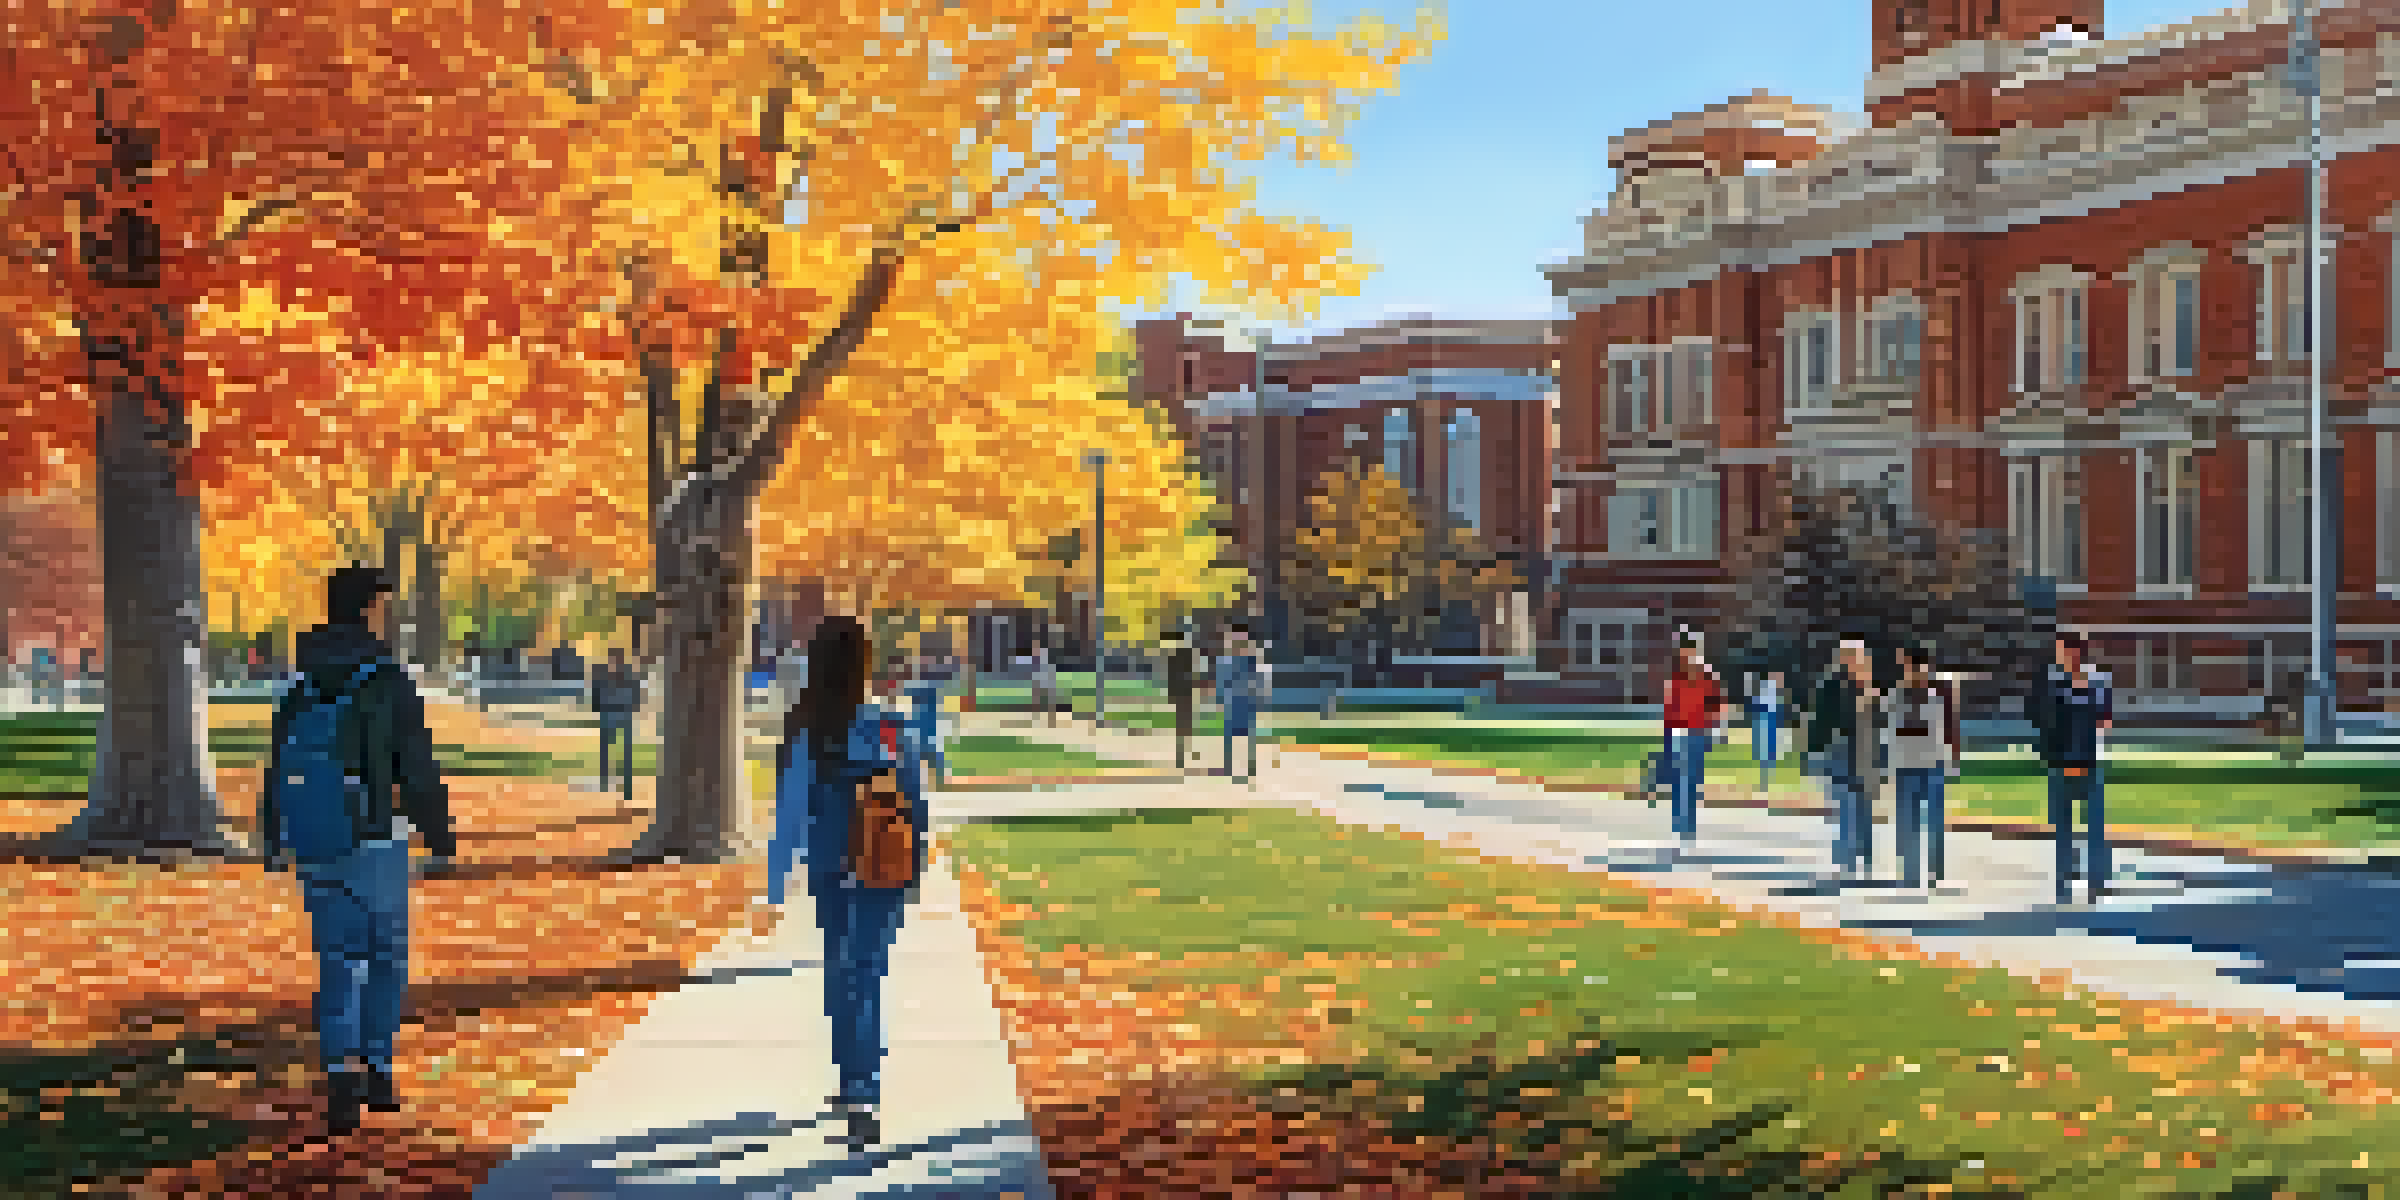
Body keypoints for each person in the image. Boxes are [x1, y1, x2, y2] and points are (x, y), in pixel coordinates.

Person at [260, 565, 455, 1137]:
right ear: (369, 609)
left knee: (337, 957)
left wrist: (273, 838)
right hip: (375, 838)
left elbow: (277, 769)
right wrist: (439, 836)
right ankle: (378, 1066)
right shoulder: (385, 681)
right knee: (387, 953)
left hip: (315, 838)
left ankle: (339, 1073)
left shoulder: (298, 685)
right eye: (384, 605)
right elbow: (415, 765)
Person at [761, 615, 927, 1152]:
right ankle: (863, 1089)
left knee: (840, 969)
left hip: (831, 866)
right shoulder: (888, 725)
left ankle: (852, 1084)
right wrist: (915, 862)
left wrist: (775, 880)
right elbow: (913, 800)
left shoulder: (808, 726)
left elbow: (789, 811)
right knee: (870, 971)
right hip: (884, 863)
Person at [2029, 632, 2114, 904]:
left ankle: (2097, 881)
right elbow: (2044, 724)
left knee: (2095, 826)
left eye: (2067, 650)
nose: (2064, 656)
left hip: (2091, 762)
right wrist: (2057, 760)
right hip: (2060, 764)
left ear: (2078, 651)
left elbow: (2105, 721)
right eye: (2060, 651)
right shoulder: (2051, 684)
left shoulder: (2098, 681)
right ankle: (2064, 879)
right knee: (2064, 826)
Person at [1883, 645, 1958, 889]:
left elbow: (1945, 730)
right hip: (1906, 767)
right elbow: (1892, 734)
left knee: (1934, 822)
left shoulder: (1938, 696)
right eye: (1910, 667)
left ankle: (1935, 870)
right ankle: (1911, 874)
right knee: (1907, 822)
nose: (1915, 672)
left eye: (1918, 667)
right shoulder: (1895, 698)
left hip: (1932, 766)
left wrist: (1951, 762)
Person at [1809, 640, 1879, 879]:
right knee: (1846, 810)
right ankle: (1846, 863)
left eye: (1857, 656)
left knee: (1864, 811)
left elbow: (1879, 725)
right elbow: (1820, 722)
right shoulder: (1831, 686)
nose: (1853, 661)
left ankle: (1865, 859)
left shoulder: (1869, 687)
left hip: (1866, 756)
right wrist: (1815, 752)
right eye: (1850, 656)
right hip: (1840, 754)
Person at [1660, 638, 1725, 847]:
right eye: (1681, 653)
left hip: (1698, 733)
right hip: (1678, 733)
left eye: (1688, 651)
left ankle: (1688, 825)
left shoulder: (1707, 676)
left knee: (1693, 782)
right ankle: (1683, 829)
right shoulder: (1675, 678)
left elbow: (1716, 704)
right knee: (1680, 782)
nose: (1684, 656)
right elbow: (1670, 709)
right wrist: (1667, 739)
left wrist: (1716, 730)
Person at [1216, 625, 1269, 781]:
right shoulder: (1227, 659)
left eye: (1241, 637)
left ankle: (1249, 767)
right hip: (1232, 699)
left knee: (1248, 734)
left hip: (1245, 700)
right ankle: (1229, 766)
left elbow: (1258, 679)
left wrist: (1259, 697)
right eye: (1236, 637)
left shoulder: (1250, 659)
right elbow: (1222, 680)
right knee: (1229, 734)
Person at [590, 647, 644, 793]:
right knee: (607, 749)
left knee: (624, 750)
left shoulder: (627, 675)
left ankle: (625, 785)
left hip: (621, 715)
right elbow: (597, 694)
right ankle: (606, 781)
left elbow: (635, 695)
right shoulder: (607, 675)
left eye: (616, 659)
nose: (614, 662)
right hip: (610, 714)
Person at [1164, 632, 1198, 769]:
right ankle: (1184, 753)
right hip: (1185, 693)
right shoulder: (1187, 656)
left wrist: (1171, 695)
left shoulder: (1176, 657)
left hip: (1183, 693)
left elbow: (1172, 678)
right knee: (1185, 724)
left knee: (1183, 724)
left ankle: (1182, 754)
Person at [1750, 670, 1787, 794]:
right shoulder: (1763, 690)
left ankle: (1765, 783)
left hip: (1769, 722)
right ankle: (1764, 783)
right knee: (1764, 753)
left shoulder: (1772, 692)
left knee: (1768, 753)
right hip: (1764, 721)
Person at [1029, 643, 1059, 728]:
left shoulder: (1046, 660)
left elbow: (1050, 674)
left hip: (1046, 686)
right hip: (1039, 686)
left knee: (1049, 705)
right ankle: (1038, 722)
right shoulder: (1035, 661)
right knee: (1038, 704)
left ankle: (1050, 722)